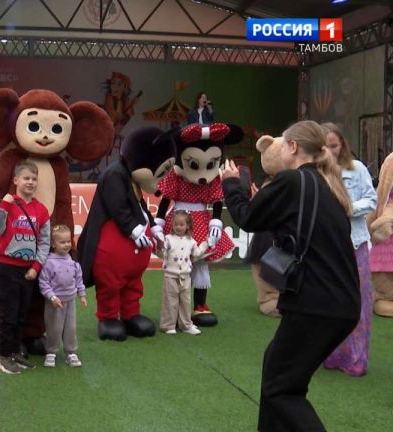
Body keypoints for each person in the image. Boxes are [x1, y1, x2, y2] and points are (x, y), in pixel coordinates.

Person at [220, 120, 360, 431]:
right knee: (277, 371)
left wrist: (231, 184)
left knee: (282, 390)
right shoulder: (327, 185)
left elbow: (248, 217)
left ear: (293, 147)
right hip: (338, 304)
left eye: (283, 144)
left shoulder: (293, 182)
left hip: (316, 304)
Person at [322, 122, 376, 377]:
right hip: (326, 245)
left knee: (359, 302)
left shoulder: (357, 169)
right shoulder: (315, 173)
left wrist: (347, 207)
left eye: (334, 145)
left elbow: (372, 199)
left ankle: (356, 359)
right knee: (330, 301)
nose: (330, 151)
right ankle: (331, 356)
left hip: (355, 243)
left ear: (342, 144)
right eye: (325, 147)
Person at [0, 161, 51, 374]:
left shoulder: (41, 210)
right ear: (16, 180)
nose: (30, 182)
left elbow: (45, 241)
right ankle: (4, 356)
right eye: (26, 178)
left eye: (34, 179)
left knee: (21, 314)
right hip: (7, 267)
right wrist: (4, 206)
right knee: (8, 313)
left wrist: (36, 266)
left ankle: (15, 351)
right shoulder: (7, 204)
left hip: (28, 270)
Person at [38, 225, 88, 368]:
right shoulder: (49, 263)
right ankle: (51, 352)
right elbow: (44, 283)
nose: (67, 244)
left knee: (70, 328)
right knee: (54, 328)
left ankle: (71, 352)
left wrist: (82, 295)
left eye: (68, 241)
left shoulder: (73, 262)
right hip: (55, 303)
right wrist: (52, 297)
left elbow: (78, 279)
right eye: (62, 242)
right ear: (53, 244)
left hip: (70, 301)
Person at [157, 211, 207, 335]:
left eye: (181, 225)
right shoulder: (168, 239)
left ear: (187, 226)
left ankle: (186, 325)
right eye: (176, 224)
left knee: (186, 301)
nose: (178, 227)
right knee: (170, 301)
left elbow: (196, 253)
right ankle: (168, 325)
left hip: (185, 276)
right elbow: (163, 253)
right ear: (172, 225)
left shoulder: (191, 241)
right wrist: (160, 246)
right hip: (170, 276)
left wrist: (206, 244)